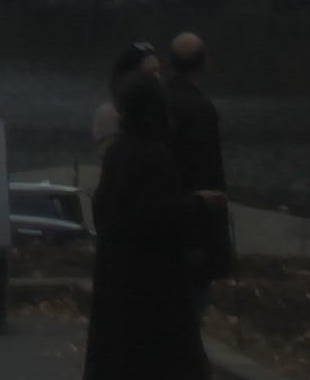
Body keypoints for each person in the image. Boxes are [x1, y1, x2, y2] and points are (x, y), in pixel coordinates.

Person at [83, 71, 214, 379]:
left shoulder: (115, 156)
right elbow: (161, 215)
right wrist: (197, 204)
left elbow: (105, 212)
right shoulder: (157, 157)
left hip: (115, 283)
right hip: (155, 286)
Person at [162, 31, 233, 322]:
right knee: (191, 316)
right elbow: (208, 174)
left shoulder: (158, 101)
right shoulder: (200, 109)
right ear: (204, 64)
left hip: (163, 228)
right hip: (194, 233)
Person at [92, 39, 159, 146]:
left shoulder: (164, 108)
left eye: (157, 71)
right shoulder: (109, 114)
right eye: (150, 72)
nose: (157, 77)